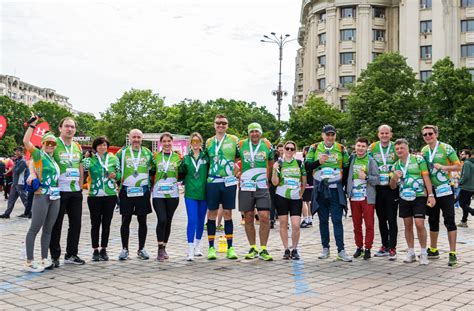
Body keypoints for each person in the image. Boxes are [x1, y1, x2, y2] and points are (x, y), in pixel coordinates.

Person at [305, 124, 351, 262]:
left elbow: (347, 168)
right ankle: (325, 248)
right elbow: (306, 166)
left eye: (332, 134)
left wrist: (343, 186)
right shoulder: (314, 148)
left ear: (335, 135)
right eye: (327, 134)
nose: (330, 137)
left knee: (337, 220)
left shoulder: (342, 149)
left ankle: (341, 250)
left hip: (335, 190)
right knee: (323, 220)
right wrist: (318, 162)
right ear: (322, 135)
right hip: (320, 189)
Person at [22, 115, 61, 272]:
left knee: (48, 229)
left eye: (53, 143)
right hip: (42, 195)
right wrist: (32, 126)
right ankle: (29, 261)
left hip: (55, 196)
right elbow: (26, 143)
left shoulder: (54, 159)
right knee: (35, 227)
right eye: (48, 143)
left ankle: (44, 258)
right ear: (43, 143)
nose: (51, 145)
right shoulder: (39, 154)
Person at [421, 125, 461, 267]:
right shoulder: (424, 150)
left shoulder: (446, 148)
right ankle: (433, 249)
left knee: (449, 219)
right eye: (425, 134)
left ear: (436, 134)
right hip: (432, 191)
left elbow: (458, 166)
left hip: (446, 189)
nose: (427, 136)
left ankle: (452, 253)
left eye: (430, 133)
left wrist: (444, 167)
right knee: (432, 219)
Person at [390, 139, 435, 265]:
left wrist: (430, 194)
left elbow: (426, 177)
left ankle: (424, 253)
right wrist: (394, 178)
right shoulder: (395, 165)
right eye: (397, 149)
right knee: (407, 225)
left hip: (419, 196)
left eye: (401, 148)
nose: (399, 150)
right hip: (404, 198)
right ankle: (410, 252)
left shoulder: (418, 160)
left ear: (407, 148)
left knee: (419, 224)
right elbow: (392, 186)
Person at [49, 117, 85, 267]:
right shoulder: (54, 144)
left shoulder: (77, 146)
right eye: (67, 126)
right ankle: (54, 256)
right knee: (56, 224)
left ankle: (71, 254)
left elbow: (80, 166)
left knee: (76, 224)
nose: (70, 129)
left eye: (72, 127)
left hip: (75, 191)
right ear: (60, 128)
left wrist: (81, 184)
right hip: (59, 190)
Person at [116, 129, 154, 261]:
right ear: (129, 138)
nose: (136, 139)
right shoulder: (122, 152)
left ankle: (141, 248)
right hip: (126, 190)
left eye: (138, 137)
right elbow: (115, 168)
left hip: (142, 190)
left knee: (142, 220)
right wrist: (117, 179)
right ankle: (124, 249)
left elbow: (154, 168)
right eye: (134, 137)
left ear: (142, 139)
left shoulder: (148, 153)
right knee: (125, 220)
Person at [237, 123, 274, 261]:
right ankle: (252, 247)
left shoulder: (267, 145)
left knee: (264, 216)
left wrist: (268, 179)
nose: (254, 134)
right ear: (248, 133)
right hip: (246, 185)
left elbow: (270, 163)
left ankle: (263, 248)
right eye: (251, 131)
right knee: (248, 216)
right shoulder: (240, 145)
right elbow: (233, 160)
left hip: (262, 185)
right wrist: (238, 172)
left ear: (260, 133)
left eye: (257, 131)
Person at [205, 114, 239, 260]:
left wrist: (236, 170)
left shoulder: (234, 140)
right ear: (214, 125)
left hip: (228, 182)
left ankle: (230, 248)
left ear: (227, 125)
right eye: (218, 123)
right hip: (213, 181)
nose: (221, 125)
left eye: (224, 123)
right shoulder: (209, 142)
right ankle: (211, 248)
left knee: (228, 214)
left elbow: (239, 157)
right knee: (211, 214)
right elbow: (205, 161)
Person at [84, 136, 120, 261]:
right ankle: (95, 250)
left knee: (106, 224)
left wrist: (116, 175)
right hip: (94, 195)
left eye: (104, 145)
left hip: (110, 195)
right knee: (95, 224)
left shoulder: (113, 159)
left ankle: (104, 249)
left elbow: (119, 174)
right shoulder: (90, 160)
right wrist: (85, 158)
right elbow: (81, 169)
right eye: (99, 145)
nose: (102, 147)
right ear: (95, 147)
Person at [368, 124, 399, 260]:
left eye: (387, 133)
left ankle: (392, 247)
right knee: (381, 219)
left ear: (391, 134)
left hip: (392, 187)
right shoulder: (373, 147)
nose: (384, 136)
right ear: (378, 134)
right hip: (378, 188)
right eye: (382, 133)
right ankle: (384, 245)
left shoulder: (396, 146)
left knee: (391, 219)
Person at [272, 141, 306, 260]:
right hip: (281, 196)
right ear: (284, 149)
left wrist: (301, 193)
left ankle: (295, 249)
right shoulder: (279, 163)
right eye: (287, 148)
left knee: (296, 225)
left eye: (292, 149)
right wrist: (275, 170)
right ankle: (286, 249)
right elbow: (274, 182)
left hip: (296, 198)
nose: (290, 151)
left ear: (295, 151)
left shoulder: (299, 163)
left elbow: (304, 179)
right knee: (283, 223)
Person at [347, 138, 379, 260]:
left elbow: (377, 179)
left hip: (367, 197)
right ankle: (359, 247)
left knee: (369, 224)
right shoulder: (352, 159)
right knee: (356, 225)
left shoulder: (371, 161)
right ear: (355, 147)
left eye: (363, 146)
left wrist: (366, 177)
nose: (360, 148)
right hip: (354, 197)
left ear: (367, 148)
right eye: (358, 146)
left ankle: (368, 248)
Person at [152, 133, 181, 262]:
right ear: (160, 143)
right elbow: (150, 171)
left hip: (172, 194)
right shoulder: (155, 157)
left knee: (168, 221)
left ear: (172, 142)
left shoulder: (178, 157)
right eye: (164, 141)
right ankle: (159, 248)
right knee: (162, 219)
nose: (167, 143)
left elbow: (183, 172)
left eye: (169, 141)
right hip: (158, 194)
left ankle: (164, 247)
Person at [180, 132, 209, 261]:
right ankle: (190, 248)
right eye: (193, 142)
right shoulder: (186, 158)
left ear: (201, 143)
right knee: (192, 219)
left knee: (201, 220)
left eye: (198, 141)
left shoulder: (206, 157)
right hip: (190, 193)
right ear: (190, 143)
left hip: (204, 193)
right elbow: (181, 174)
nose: (196, 144)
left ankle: (198, 246)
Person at [0, 147, 28, 218]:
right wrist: (14, 166)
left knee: (24, 199)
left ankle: (29, 212)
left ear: (22, 152)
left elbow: (16, 171)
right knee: (11, 199)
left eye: (18, 151)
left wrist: (14, 167)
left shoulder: (22, 161)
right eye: (16, 151)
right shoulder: (18, 161)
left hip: (20, 183)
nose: (16, 153)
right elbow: (14, 170)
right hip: (15, 183)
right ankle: (7, 213)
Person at [269, 143, 284, 229]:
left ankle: (272, 219)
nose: (281, 152)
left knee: (273, 201)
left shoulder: (271, 162)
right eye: (280, 150)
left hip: (275, 183)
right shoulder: (279, 161)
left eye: (282, 150)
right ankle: (273, 219)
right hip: (277, 183)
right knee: (276, 201)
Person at [458, 149, 473, 227]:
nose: (461, 155)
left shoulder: (467, 163)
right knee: (466, 204)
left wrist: (460, 182)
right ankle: (464, 221)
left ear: (467, 155)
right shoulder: (471, 163)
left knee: (462, 204)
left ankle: (472, 211)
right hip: (471, 187)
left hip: (466, 187)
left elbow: (465, 175)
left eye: (463, 154)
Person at [300, 146, 314, 228]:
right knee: (308, 203)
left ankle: (306, 219)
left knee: (303, 202)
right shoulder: (312, 162)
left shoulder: (305, 162)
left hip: (306, 184)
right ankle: (309, 219)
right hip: (311, 184)